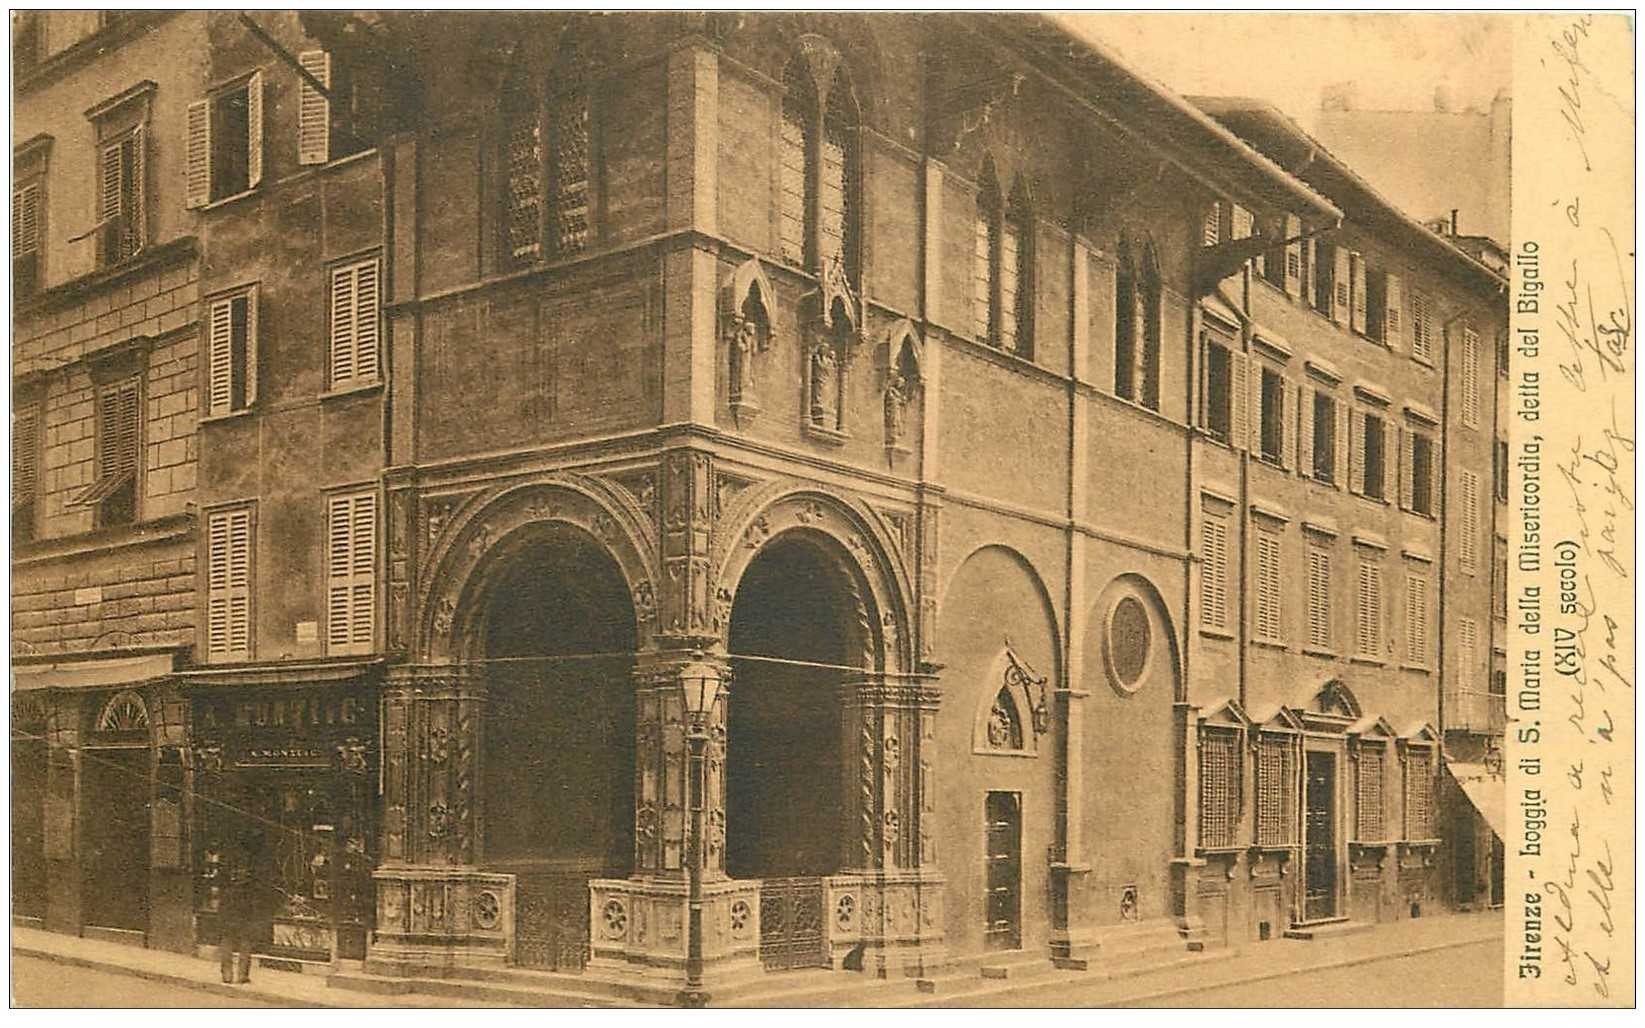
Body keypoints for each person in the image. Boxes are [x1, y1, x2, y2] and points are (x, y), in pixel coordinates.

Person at [218, 831, 257, 984]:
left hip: (228, 901)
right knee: (245, 938)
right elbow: (255, 883)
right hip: (244, 902)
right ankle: (242, 975)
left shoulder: (226, 859)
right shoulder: (250, 861)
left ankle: (226, 975)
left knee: (227, 938)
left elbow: (220, 880)